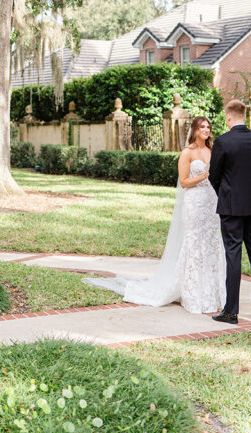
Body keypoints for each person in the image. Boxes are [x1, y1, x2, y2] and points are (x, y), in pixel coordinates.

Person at [86, 116, 225, 314]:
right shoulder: (187, 152)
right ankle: (193, 293)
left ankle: (211, 292)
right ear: (194, 130)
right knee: (194, 245)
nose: (206, 130)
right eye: (202, 127)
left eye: (208, 127)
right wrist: (203, 176)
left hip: (211, 203)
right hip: (194, 203)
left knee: (211, 245)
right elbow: (184, 182)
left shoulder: (212, 151)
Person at [209, 98, 251, 324]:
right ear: (244, 116)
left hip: (231, 206)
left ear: (228, 118)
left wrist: (225, 193)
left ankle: (231, 311)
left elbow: (214, 176)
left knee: (233, 255)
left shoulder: (223, 142)